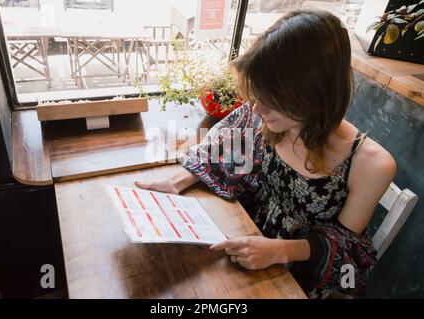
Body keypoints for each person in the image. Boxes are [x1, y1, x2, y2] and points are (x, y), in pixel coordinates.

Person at [135, 9, 396, 298]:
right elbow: (223, 145)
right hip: (243, 230)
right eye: (257, 96)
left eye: (271, 100)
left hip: (295, 270)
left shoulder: (370, 164)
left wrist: (279, 250)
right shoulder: (267, 115)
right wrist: (177, 182)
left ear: (314, 94)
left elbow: (344, 245)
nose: (257, 109)